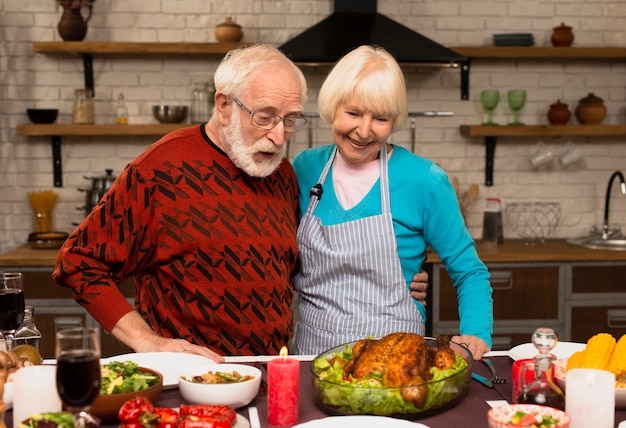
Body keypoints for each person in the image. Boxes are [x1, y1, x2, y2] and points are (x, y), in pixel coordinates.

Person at [52, 43, 311, 362]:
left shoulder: (282, 173)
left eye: (290, 120)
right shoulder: (161, 169)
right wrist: (147, 340)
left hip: (268, 374)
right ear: (224, 105)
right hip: (187, 377)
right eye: (265, 117)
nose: (279, 136)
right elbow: (79, 261)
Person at [291, 45, 493, 359]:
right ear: (333, 107)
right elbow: (280, 257)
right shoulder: (304, 169)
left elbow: (468, 270)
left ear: (394, 119)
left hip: (395, 360)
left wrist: (475, 333)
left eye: (380, 118)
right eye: (353, 113)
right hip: (312, 353)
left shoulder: (424, 180)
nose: (364, 130)